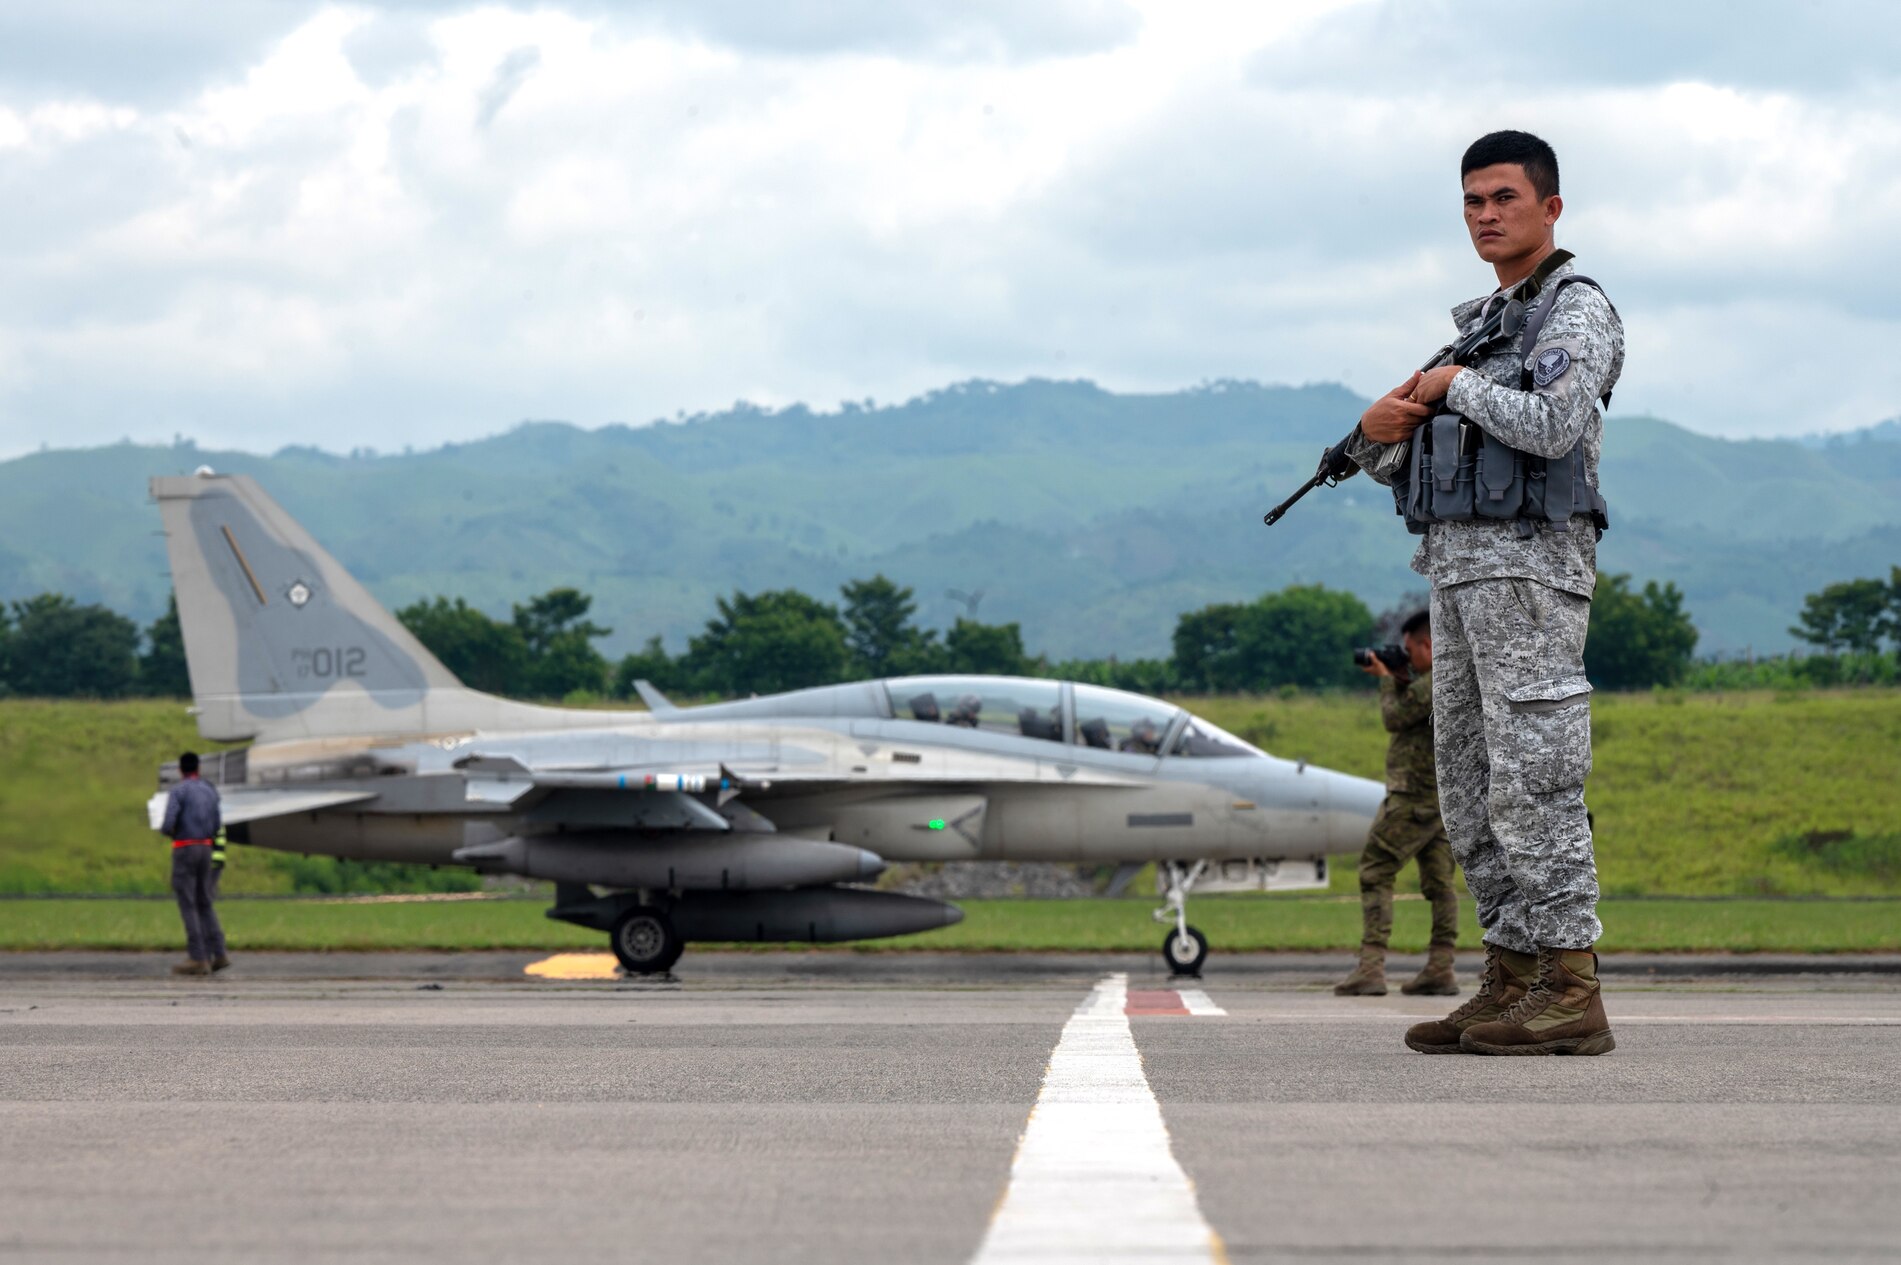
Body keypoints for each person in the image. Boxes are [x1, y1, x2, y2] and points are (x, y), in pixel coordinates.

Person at [1347, 130, 1622, 1056]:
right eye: (1471, 201)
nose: (1485, 215)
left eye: (1503, 197)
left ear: (1550, 207)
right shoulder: (1479, 328)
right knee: (1468, 792)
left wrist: (1455, 385)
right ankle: (1510, 976)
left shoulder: (1573, 312)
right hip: (1458, 578)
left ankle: (1569, 986)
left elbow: (1551, 426)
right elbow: (1409, 461)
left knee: (1535, 783)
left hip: (1532, 577)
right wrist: (1375, 430)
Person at [1334, 610, 1460, 997]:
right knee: (1440, 885)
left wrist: (1386, 679)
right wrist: (1401, 676)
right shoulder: (1449, 680)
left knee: (1375, 871)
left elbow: (1394, 717)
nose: (1407, 656)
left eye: (1410, 650)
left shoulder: (1434, 682)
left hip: (1412, 800)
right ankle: (1441, 966)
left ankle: (1371, 967)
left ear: (1429, 645)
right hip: (1440, 801)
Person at [158, 751, 228, 976]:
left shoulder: (179, 791)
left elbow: (167, 823)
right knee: (205, 902)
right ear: (198, 768)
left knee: (188, 903)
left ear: (180, 770)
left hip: (185, 848)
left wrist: (172, 832)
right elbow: (217, 824)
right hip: (206, 848)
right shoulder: (209, 790)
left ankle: (198, 958)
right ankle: (219, 952)